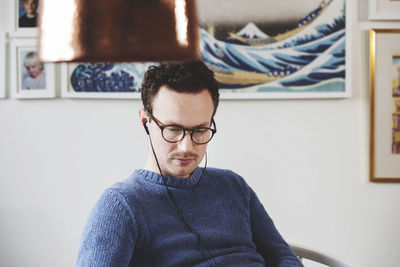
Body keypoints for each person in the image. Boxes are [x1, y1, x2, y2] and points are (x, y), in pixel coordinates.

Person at [76, 60, 303, 266]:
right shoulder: (120, 207)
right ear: (145, 121)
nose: (186, 146)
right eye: (173, 129)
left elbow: (282, 256)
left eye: (200, 130)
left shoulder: (233, 186)